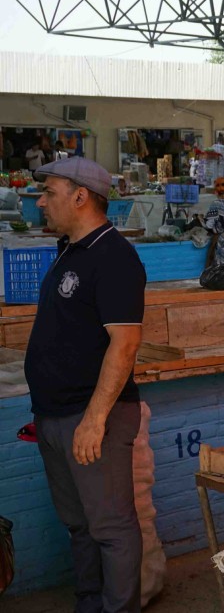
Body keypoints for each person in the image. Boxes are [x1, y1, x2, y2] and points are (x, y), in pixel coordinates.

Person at [27, 157, 146, 613]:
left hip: (93, 417)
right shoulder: (69, 250)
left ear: (80, 196)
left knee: (111, 529)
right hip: (55, 417)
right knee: (79, 526)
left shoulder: (113, 256)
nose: (40, 201)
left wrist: (95, 420)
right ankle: (89, 604)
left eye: (49, 192)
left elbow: (125, 343)